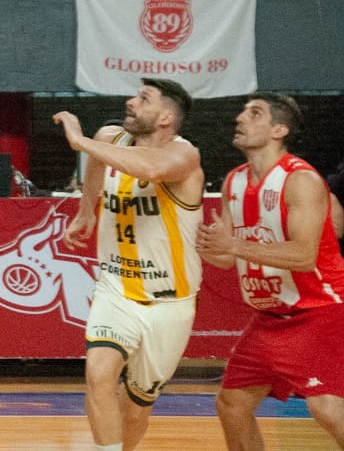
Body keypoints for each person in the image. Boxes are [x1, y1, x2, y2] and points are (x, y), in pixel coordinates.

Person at [56, 79, 204, 451]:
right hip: (116, 288)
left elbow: (149, 170)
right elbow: (98, 162)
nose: (130, 101)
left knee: (137, 410)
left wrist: (79, 141)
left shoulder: (185, 156)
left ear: (166, 117)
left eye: (143, 98)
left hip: (169, 301)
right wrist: (86, 209)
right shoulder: (109, 138)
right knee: (98, 373)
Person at [196, 93, 344, 450]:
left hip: (319, 311)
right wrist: (209, 247)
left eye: (254, 113)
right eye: (243, 112)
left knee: (326, 407)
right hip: (268, 319)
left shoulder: (300, 180)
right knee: (232, 404)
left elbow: (304, 257)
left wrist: (233, 245)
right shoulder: (234, 181)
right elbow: (229, 257)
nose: (240, 118)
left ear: (279, 130)